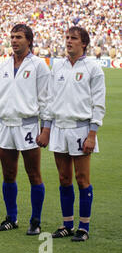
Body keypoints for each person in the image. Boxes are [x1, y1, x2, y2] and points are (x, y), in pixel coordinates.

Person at [40, 26, 106, 242]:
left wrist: (92, 133)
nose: (69, 41)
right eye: (67, 38)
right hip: (59, 128)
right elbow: (50, 100)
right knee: (64, 177)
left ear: (83, 43)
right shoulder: (57, 66)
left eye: (74, 38)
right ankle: (67, 224)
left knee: (82, 178)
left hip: (81, 128)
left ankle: (84, 226)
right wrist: (46, 129)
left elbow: (98, 103)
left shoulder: (93, 68)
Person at [0, 24, 50, 235]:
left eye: (19, 37)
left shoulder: (39, 66)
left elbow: (45, 100)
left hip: (27, 125)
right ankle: (11, 218)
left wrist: (46, 129)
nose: (14, 40)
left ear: (29, 41)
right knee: (8, 174)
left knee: (33, 174)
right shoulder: (3, 65)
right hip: (5, 125)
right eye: (12, 37)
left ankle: (35, 220)